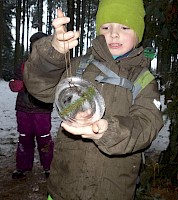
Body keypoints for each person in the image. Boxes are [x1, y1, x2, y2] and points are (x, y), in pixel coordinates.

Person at [23, 0, 164, 199]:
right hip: (63, 188)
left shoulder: (143, 80)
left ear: (138, 34)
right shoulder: (79, 65)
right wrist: (53, 53)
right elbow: (40, 87)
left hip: (112, 190)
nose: (114, 33)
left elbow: (147, 123)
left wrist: (109, 131)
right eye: (106, 27)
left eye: (124, 27)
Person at [9, 32, 54, 179]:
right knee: (24, 137)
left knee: (44, 138)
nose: (37, 47)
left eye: (41, 44)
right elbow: (15, 81)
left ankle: (48, 167)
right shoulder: (24, 63)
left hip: (42, 109)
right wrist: (16, 84)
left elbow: (52, 84)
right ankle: (22, 167)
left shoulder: (51, 65)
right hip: (23, 109)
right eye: (35, 44)